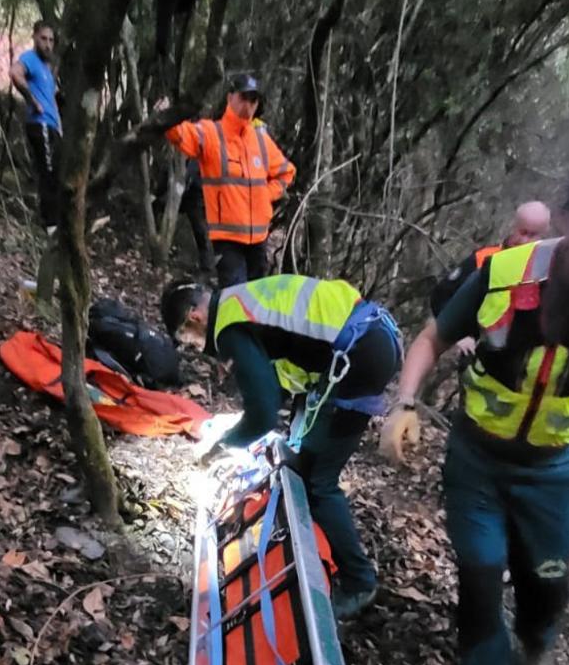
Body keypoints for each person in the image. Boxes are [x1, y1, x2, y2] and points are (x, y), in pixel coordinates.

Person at [380, 152, 569, 665]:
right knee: (481, 578)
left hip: (556, 471)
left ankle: (536, 645)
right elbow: (433, 337)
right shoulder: (505, 273)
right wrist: (404, 403)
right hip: (478, 463)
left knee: (546, 580)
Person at [162, 272, 402, 619]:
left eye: (188, 339)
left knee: (319, 480)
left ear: (194, 318)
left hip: (359, 354)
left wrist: (220, 447)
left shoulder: (228, 324)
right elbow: (296, 359)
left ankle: (359, 581)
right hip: (370, 338)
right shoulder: (241, 299)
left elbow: (262, 411)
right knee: (303, 460)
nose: (195, 347)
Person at [162, 72, 296, 286]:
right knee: (236, 305)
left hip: (259, 241)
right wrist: (165, 114)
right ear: (230, 97)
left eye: (253, 100)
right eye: (243, 97)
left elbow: (286, 172)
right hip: (227, 241)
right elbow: (181, 134)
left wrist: (266, 195)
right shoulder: (211, 134)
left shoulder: (261, 141)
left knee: (258, 305)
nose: (248, 105)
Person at [430, 199, 552, 324]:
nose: (525, 241)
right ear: (513, 227)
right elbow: (441, 297)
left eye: (533, 235)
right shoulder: (483, 259)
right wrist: (455, 334)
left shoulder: (545, 274)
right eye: (523, 232)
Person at [10, 20, 62, 233]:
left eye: (51, 40)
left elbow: (52, 98)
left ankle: (52, 219)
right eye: (43, 39)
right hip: (39, 124)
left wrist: (59, 126)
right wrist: (31, 100)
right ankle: (51, 225)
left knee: (55, 173)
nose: (48, 44)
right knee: (48, 172)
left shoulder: (48, 69)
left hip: (51, 126)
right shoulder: (29, 59)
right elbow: (15, 74)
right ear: (34, 37)